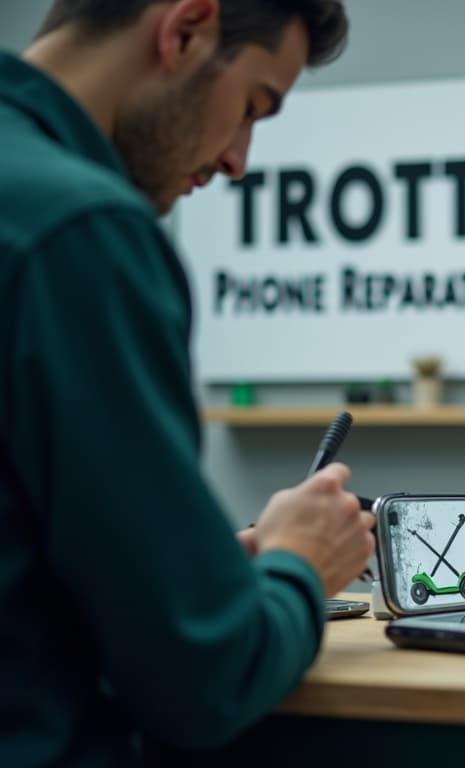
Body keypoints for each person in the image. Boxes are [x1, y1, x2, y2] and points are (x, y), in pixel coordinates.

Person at [0, 1, 377, 765]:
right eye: (252, 107)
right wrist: (299, 567)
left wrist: (191, 571)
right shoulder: (83, 231)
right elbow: (204, 680)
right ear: (185, 29)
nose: (239, 159)